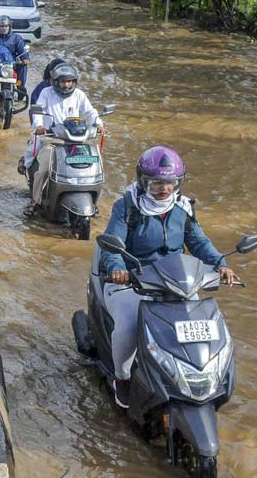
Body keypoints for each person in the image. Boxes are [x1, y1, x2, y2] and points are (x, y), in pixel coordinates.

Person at [100, 146, 243, 408]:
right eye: (156, 184)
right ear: (143, 182)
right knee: (130, 325)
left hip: (177, 281)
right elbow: (113, 244)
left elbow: (199, 241)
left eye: (170, 183)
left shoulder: (183, 208)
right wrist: (117, 269)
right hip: (135, 281)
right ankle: (122, 379)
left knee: (203, 325)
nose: (163, 189)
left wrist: (221, 264)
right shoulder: (127, 207)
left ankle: (200, 375)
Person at [18, 63, 101, 211]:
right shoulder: (46, 93)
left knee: (94, 165)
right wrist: (39, 126)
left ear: (74, 82)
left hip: (76, 139)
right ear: (55, 81)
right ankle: (35, 200)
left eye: (69, 81)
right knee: (43, 167)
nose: (66, 85)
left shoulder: (79, 95)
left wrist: (98, 123)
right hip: (52, 137)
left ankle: (94, 202)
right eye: (63, 81)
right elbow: (38, 111)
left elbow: (90, 111)